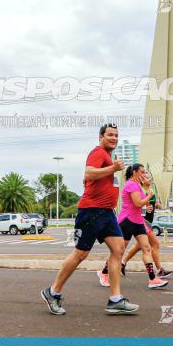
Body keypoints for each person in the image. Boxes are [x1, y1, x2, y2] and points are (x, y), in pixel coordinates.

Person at [41, 124, 139, 315]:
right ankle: (53, 292)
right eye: (110, 135)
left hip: (107, 213)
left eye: (116, 135)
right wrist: (112, 168)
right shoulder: (98, 152)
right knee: (81, 254)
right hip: (91, 211)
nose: (114, 138)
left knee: (119, 249)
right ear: (101, 137)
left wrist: (111, 168)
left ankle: (115, 299)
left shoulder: (108, 157)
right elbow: (88, 173)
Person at [99, 164, 169, 289]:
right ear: (134, 172)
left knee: (146, 248)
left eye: (144, 172)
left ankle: (153, 279)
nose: (144, 174)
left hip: (138, 221)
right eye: (141, 172)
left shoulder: (140, 186)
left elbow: (145, 204)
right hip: (127, 221)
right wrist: (147, 196)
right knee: (118, 251)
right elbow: (137, 203)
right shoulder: (130, 185)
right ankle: (103, 272)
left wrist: (148, 200)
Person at [122, 170, 172, 278]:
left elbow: (151, 203)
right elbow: (138, 204)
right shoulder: (140, 189)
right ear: (142, 179)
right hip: (142, 221)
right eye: (146, 176)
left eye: (150, 177)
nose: (149, 179)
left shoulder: (151, 190)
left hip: (148, 221)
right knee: (155, 244)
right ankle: (159, 270)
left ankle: (122, 262)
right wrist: (145, 207)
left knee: (140, 246)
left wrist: (156, 205)